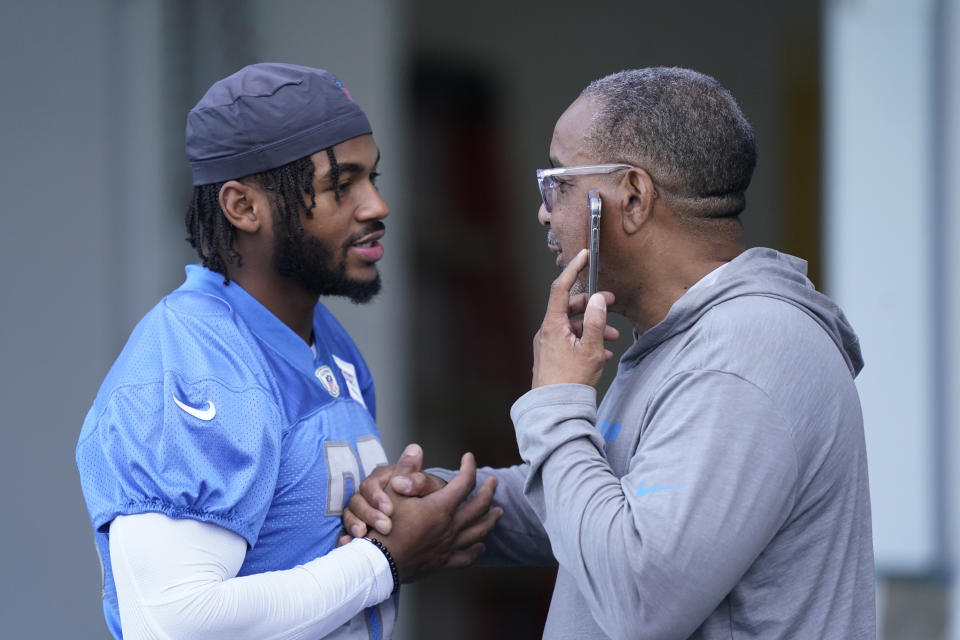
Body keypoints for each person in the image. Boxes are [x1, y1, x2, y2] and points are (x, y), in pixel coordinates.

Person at [344, 67, 875, 639]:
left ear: (633, 197)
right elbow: (605, 505)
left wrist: (555, 402)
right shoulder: (687, 341)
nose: (545, 212)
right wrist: (447, 502)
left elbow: (640, 595)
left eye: (559, 183)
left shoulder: (742, 357)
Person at [75, 62, 500, 640]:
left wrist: (373, 507)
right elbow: (175, 623)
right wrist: (383, 559)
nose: (377, 206)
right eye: (340, 185)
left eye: (374, 178)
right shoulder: (192, 358)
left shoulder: (328, 340)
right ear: (243, 206)